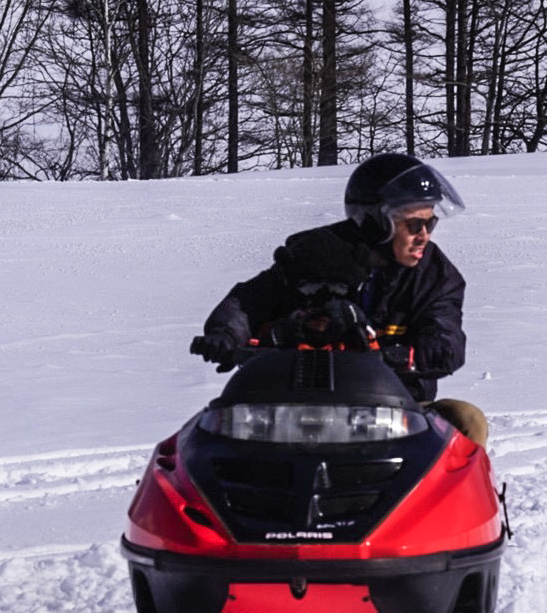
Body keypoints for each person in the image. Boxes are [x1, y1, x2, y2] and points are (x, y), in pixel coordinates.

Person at [194, 152, 489, 446]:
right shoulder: (314, 256)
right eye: (413, 225)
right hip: (294, 408)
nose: (424, 236)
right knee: (199, 438)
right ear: (376, 223)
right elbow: (248, 302)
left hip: (393, 410)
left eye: (430, 224)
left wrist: (403, 355)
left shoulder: (434, 274)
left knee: (466, 420)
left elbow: (446, 337)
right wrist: (225, 335)